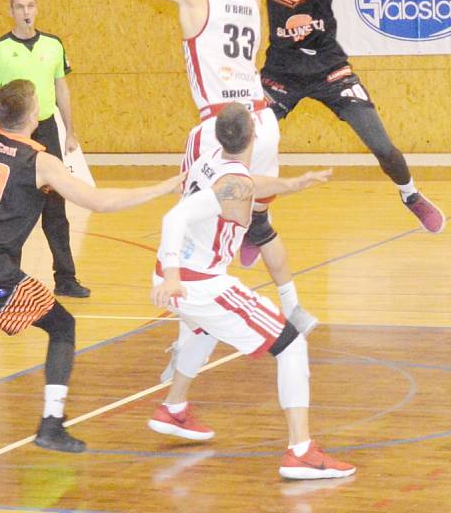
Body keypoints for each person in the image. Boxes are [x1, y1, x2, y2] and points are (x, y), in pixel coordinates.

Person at [99, 0, 319, 351]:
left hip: (222, 128)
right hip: (263, 123)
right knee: (253, 220)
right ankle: (282, 293)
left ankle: (194, 317)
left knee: (192, 223)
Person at [0, 79, 181, 453]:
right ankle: (51, 425)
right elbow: (99, 202)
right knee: (62, 326)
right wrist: (162, 188)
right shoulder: (40, 162)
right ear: (32, 117)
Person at [230, 0, 445, 269]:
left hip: (329, 68)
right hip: (281, 71)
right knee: (249, 144)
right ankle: (258, 222)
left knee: (381, 144)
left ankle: (410, 195)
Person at [148, 102, 355, 481]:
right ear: (255, 137)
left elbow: (249, 183)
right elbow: (173, 217)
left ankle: (173, 407)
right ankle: (301, 452)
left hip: (172, 275)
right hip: (197, 282)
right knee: (291, 345)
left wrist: (292, 184)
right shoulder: (233, 183)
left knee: (201, 329)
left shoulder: (210, 159)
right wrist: (176, 276)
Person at [0, 0, 90, 298]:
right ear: (11, 11)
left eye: (30, 5)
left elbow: (62, 90)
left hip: (45, 130)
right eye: (19, 6)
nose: (25, 11)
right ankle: (4, 281)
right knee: (10, 208)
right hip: (13, 133)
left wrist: (70, 131)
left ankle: (66, 278)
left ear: (36, 9)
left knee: (56, 207)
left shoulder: (53, 44)